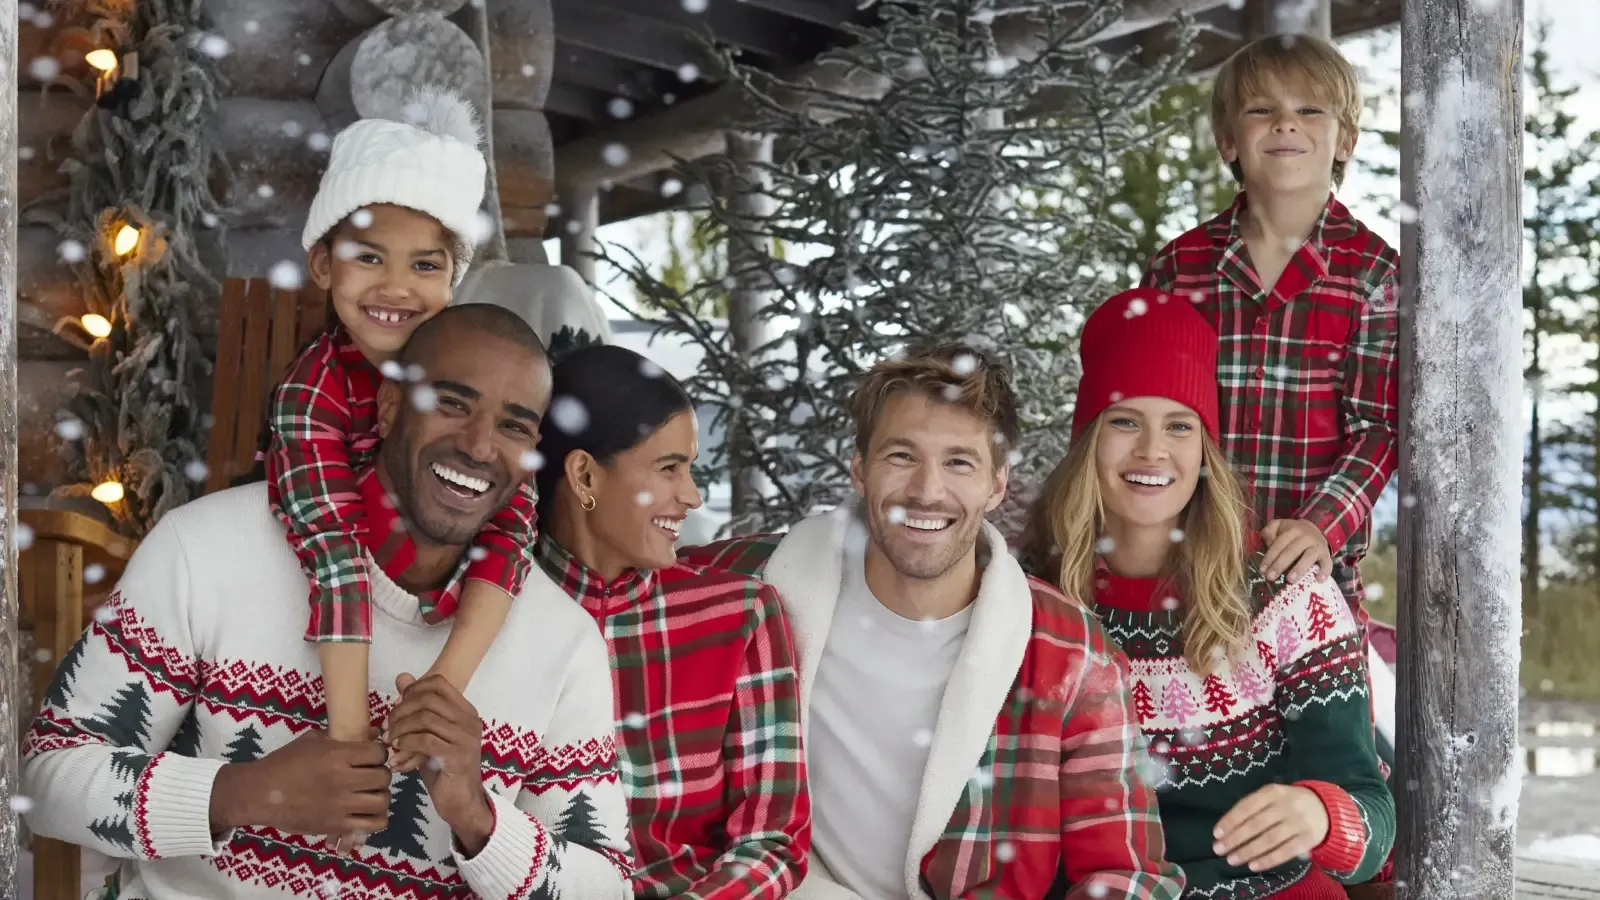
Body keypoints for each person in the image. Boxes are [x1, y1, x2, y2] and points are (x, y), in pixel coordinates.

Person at [22, 305, 634, 900]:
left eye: (514, 426)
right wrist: (242, 793)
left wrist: (478, 819)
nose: (479, 446)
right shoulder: (205, 548)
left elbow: (606, 886)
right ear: (390, 407)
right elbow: (49, 778)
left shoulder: (563, 640)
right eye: (452, 404)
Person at [681, 345, 1184, 900]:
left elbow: (1130, 873)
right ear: (859, 468)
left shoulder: (1071, 653)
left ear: (997, 484)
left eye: (959, 462)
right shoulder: (742, 591)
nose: (926, 490)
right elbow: (607, 578)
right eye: (901, 456)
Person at [1019, 289, 1395, 898]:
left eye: (1178, 425)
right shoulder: (1033, 601)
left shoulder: (1287, 598)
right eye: (1124, 421)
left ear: (1202, 450)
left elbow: (1373, 815)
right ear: (1087, 439)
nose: (1152, 450)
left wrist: (1321, 815)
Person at [265, 86, 539, 792]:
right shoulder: (312, 394)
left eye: (424, 265)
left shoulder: (482, 385)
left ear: (454, 277)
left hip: (445, 609)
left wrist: (438, 693)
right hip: (345, 613)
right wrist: (352, 743)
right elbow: (333, 555)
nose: (395, 287)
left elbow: (510, 527)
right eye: (368, 257)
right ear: (323, 265)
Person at [532, 344, 810, 898]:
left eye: (691, 468)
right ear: (585, 475)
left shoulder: (740, 615)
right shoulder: (493, 612)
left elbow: (773, 837)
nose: (692, 495)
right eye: (668, 469)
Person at [1140, 34, 1398, 631]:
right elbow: (1147, 411)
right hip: (1185, 566)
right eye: (1262, 110)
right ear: (1229, 139)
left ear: (1346, 139)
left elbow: (1377, 430)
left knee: (1321, 725)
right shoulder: (1179, 268)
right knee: (1185, 720)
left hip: (1309, 574)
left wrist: (1322, 524)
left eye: (1309, 110)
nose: (1286, 124)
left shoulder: (1375, 273)